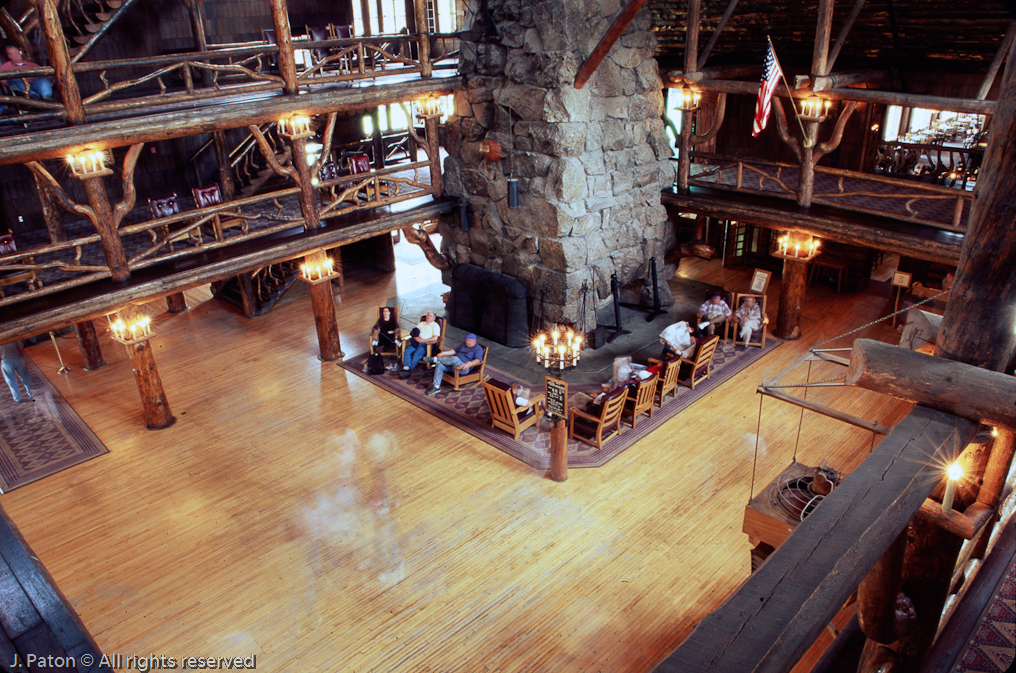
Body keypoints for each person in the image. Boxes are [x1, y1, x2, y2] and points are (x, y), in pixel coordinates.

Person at [1, 44, 54, 115]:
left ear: (20, 53)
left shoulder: (32, 65)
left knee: (42, 76)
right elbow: (3, 80)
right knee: (14, 78)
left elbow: (47, 77)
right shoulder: (6, 65)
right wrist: (12, 84)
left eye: (13, 53)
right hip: (21, 89)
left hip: (36, 86)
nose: (10, 56)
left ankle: (46, 97)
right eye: (9, 54)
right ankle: (33, 96)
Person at [400, 312, 441, 377]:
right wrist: (416, 338)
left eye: (430, 316)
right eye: (427, 315)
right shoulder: (421, 324)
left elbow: (435, 338)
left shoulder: (435, 325)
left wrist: (423, 340)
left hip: (426, 344)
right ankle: (406, 368)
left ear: (433, 318)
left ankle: (409, 371)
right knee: (407, 351)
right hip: (416, 342)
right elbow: (413, 332)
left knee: (417, 353)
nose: (428, 316)